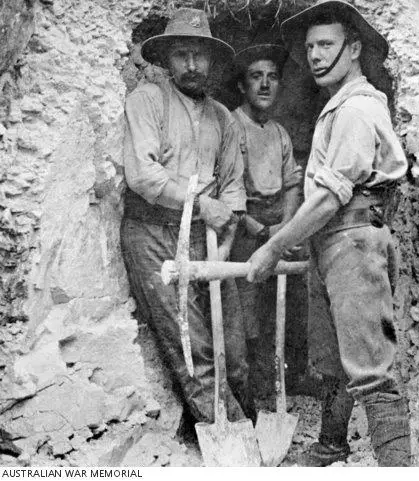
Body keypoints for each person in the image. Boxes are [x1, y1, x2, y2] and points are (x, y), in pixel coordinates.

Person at [246, 0, 412, 467]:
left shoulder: (357, 110)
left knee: (370, 366)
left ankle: (400, 469)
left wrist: (273, 248)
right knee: (337, 355)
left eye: (326, 45)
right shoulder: (337, 108)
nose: (315, 56)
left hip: (354, 238)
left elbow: (330, 196)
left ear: (354, 48)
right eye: (310, 47)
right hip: (334, 240)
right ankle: (332, 445)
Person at [120, 8, 256, 428]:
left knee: (233, 347)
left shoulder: (224, 118)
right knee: (191, 344)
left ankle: (239, 424)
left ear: (213, 60)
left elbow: (232, 188)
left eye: (200, 55)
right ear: (166, 60)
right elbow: (143, 174)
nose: (192, 65)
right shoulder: (148, 101)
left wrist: (226, 229)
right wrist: (200, 205)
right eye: (181, 54)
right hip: (154, 233)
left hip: (209, 238)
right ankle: (229, 437)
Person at [227, 44, 305, 397]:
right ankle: (250, 389)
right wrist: (257, 230)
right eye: (256, 77)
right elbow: (226, 186)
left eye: (272, 77)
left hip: (276, 229)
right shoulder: (230, 125)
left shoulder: (278, 132)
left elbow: (292, 183)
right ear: (242, 85)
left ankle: (286, 380)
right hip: (242, 229)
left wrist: (285, 231)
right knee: (247, 311)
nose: (264, 85)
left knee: (285, 299)